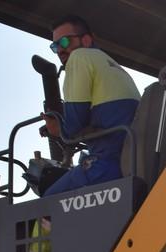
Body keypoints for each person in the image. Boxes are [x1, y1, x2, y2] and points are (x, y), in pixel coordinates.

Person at [42, 15, 140, 196]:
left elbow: (72, 129)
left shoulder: (79, 58)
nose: (60, 50)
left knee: (46, 203)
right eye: (55, 46)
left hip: (104, 165)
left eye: (64, 41)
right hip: (127, 160)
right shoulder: (113, 66)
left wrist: (57, 129)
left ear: (86, 40)